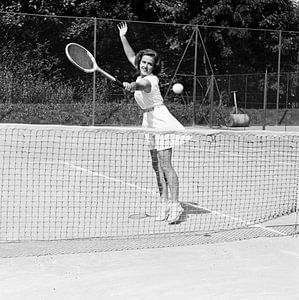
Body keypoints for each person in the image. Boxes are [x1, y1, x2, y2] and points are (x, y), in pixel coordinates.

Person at [117, 21, 186, 224]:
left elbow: (142, 84)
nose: (145, 65)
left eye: (149, 63)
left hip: (161, 121)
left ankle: (175, 205)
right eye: (143, 62)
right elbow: (131, 56)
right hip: (148, 122)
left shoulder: (151, 80)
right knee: (156, 167)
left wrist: (133, 85)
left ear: (154, 67)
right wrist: (123, 36)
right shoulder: (140, 68)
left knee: (166, 165)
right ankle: (163, 203)